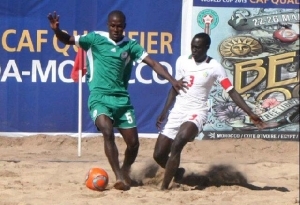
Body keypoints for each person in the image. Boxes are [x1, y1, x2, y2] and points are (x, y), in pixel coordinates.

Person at [47, 10, 186, 191]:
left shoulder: (130, 45)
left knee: (134, 144)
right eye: (112, 25)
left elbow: (153, 63)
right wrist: (57, 30)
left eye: (119, 26)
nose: (115, 29)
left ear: (124, 27)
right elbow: (68, 40)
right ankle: (119, 177)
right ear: (108, 25)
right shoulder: (95, 38)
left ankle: (125, 169)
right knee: (107, 130)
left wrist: (172, 80)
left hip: (121, 100)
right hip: (99, 97)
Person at [153, 32, 267, 190]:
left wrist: (250, 112)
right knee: (158, 155)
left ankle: (164, 187)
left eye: (198, 48)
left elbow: (231, 91)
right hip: (178, 110)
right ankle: (177, 172)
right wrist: (165, 111)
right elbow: (175, 87)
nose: (194, 50)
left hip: (197, 111)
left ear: (206, 48)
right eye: (193, 46)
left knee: (178, 143)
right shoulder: (182, 61)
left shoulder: (215, 67)